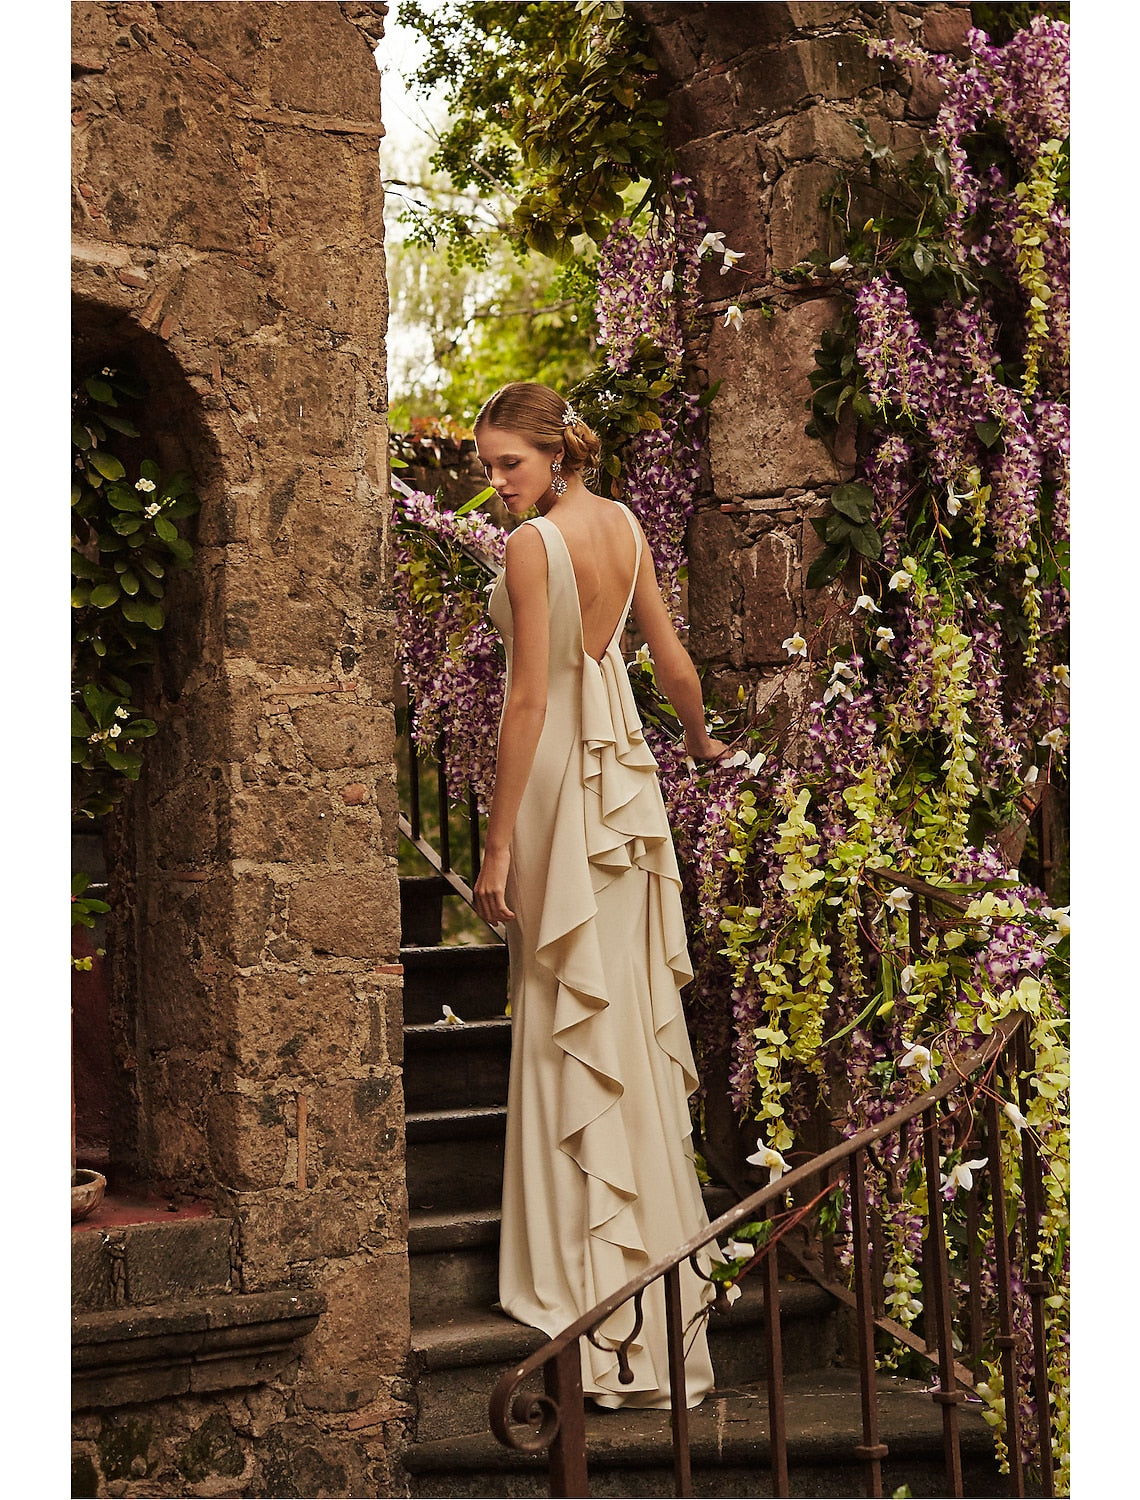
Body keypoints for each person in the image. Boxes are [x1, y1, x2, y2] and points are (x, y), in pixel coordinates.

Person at [471, 381, 731, 1410]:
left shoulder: (533, 547)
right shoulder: (623, 523)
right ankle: (646, 1277)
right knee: (613, 1004)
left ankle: (590, 1282)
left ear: (552, 455)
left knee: (570, 1009)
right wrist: (702, 740)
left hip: (558, 790)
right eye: (489, 468)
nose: (496, 484)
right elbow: (669, 660)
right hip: (625, 787)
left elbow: (529, 699)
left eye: (509, 465)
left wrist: (495, 848)